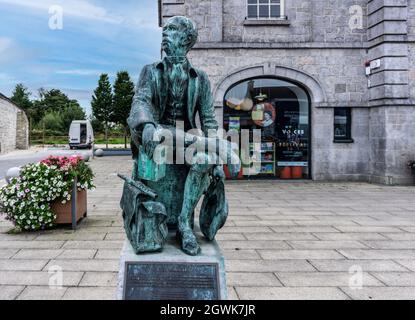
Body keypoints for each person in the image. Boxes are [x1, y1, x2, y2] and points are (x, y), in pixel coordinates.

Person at [127, 16, 240, 256]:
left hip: (187, 140)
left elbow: (208, 120)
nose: (165, 34)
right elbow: (141, 101)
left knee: (205, 161)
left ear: (187, 39)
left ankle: (185, 224)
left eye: (172, 30)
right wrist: (146, 124)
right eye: (164, 29)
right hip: (157, 139)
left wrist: (215, 159)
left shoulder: (200, 78)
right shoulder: (150, 71)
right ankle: (218, 147)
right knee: (163, 133)